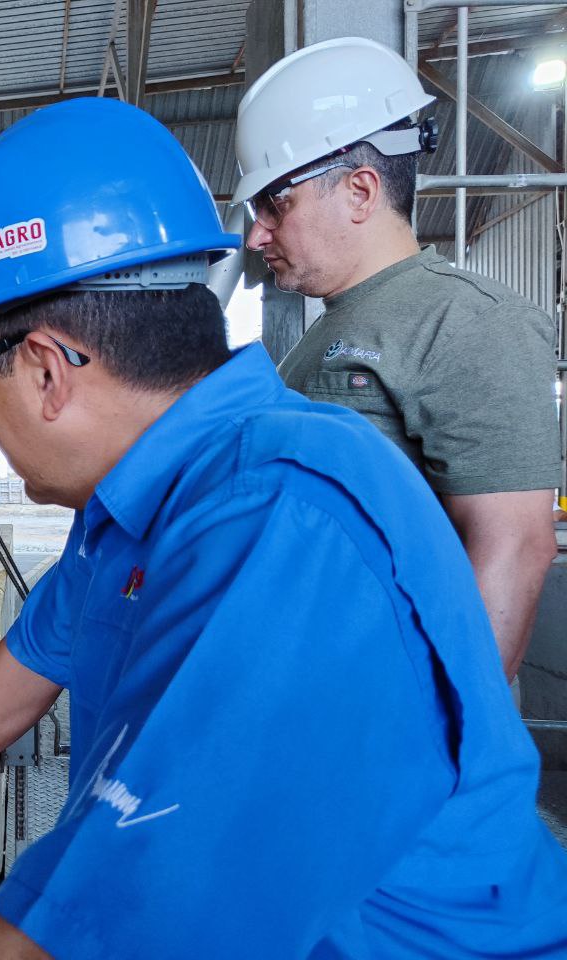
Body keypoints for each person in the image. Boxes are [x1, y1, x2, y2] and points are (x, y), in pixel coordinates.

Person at [0, 98, 567, 958]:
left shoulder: (282, 520)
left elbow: (111, 918)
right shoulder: (137, 497)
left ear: (47, 371)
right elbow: (35, 655)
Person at [233, 36, 559, 682]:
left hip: (384, 711)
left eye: (276, 203)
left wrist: (449, 729)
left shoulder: (465, 321)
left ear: (360, 191)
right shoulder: (330, 328)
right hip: (314, 687)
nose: (256, 233)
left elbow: (515, 546)